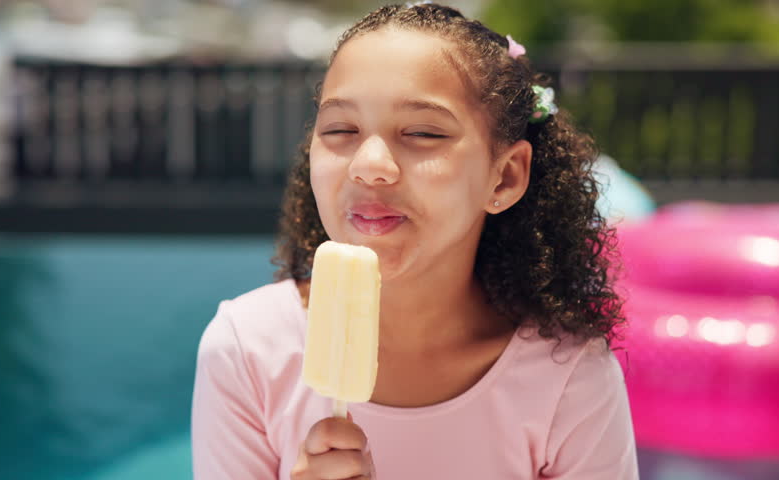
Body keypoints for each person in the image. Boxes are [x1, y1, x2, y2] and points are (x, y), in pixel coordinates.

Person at [192, 3, 638, 479]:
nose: (369, 165)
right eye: (341, 129)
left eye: (423, 132)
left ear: (505, 176)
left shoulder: (568, 378)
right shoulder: (247, 351)